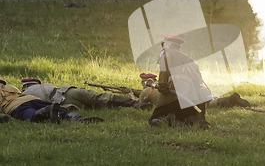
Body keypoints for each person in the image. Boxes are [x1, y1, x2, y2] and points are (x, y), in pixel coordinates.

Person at [148, 34, 212, 128]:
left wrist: (162, 85)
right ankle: (191, 119)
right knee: (188, 117)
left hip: (175, 96)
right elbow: (200, 82)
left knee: (154, 119)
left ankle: (167, 119)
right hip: (192, 101)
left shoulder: (167, 54)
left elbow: (164, 73)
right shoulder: (190, 60)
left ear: (168, 45)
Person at [1, 80, 103, 123]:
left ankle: (46, 111)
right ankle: (76, 117)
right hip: (31, 98)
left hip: (15, 106)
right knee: (58, 109)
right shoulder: (10, 87)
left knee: (31, 115)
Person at [20, 77, 151, 110]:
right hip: (68, 92)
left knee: (97, 105)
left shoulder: (22, 96)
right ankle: (134, 104)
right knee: (102, 98)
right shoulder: (44, 86)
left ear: (25, 86)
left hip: (62, 104)